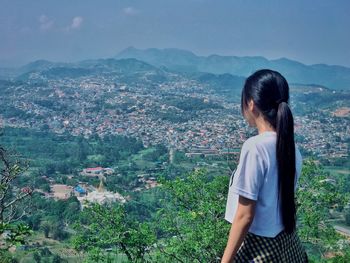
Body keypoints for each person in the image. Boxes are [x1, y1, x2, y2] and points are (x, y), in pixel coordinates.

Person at [221, 69, 308, 262]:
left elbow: (244, 216)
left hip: (260, 248)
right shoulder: (292, 148)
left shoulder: (255, 147)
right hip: (290, 247)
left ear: (251, 103)